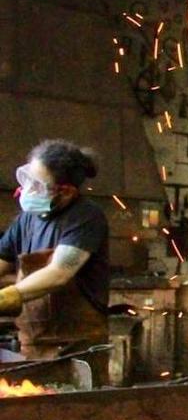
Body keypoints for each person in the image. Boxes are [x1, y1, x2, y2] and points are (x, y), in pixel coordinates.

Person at [0, 140, 109, 362]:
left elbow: (59, 273)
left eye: (37, 185)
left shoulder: (86, 217)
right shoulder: (26, 219)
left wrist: (7, 296)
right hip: (33, 344)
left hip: (77, 348)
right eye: (27, 179)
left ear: (66, 191)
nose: (28, 190)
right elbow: (2, 260)